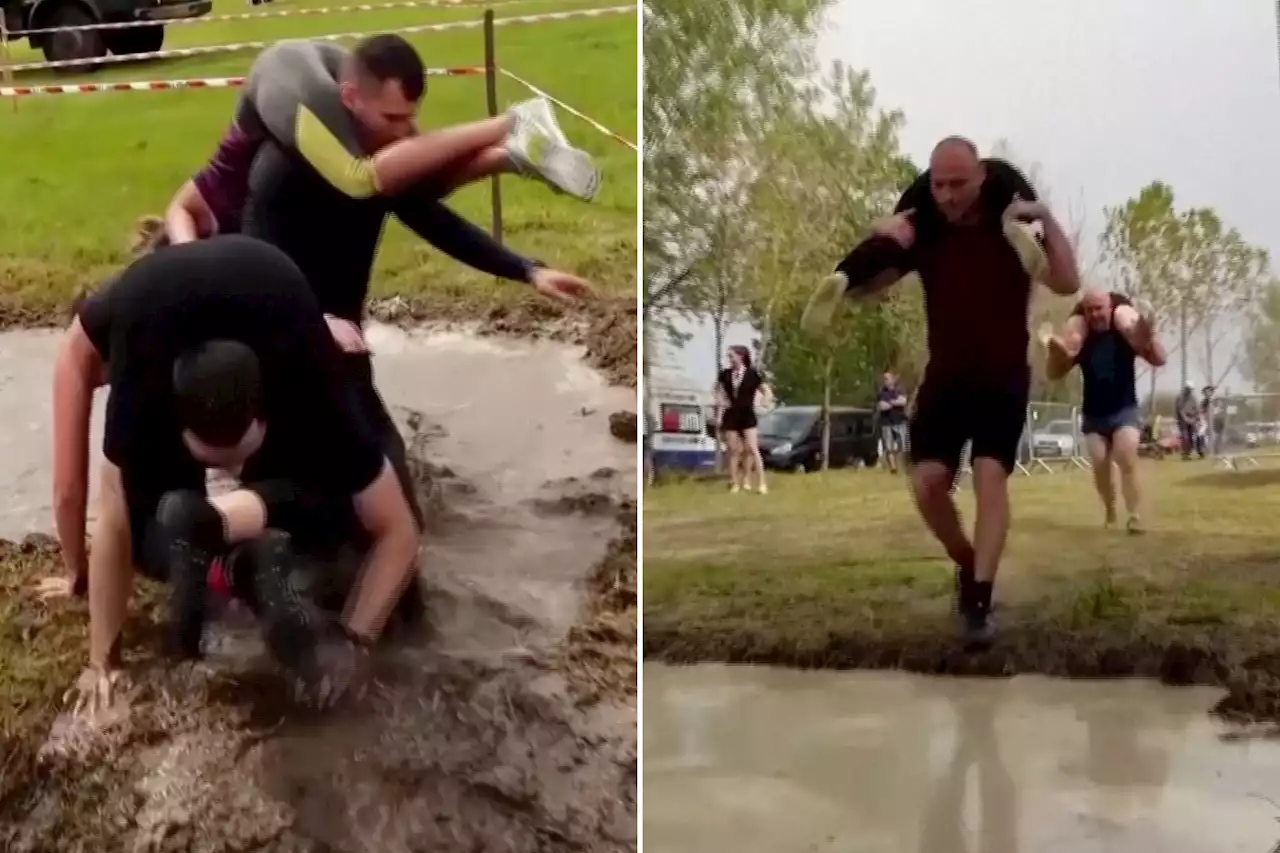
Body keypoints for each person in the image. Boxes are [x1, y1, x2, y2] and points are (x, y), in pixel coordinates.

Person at [60, 236, 421, 715]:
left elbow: (398, 533)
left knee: (158, 513)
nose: (227, 471)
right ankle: (240, 550)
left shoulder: (313, 375)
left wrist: (354, 641)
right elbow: (109, 518)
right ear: (174, 424)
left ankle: (223, 555)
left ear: (268, 417)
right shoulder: (141, 377)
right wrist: (100, 660)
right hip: (175, 312)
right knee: (324, 503)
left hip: (277, 296)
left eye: (237, 459)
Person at [804, 137, 1081, 642]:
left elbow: (1067, 282)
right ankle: (970, 563)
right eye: (938, 185)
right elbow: (880, 280)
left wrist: (1047, 219)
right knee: (926, 484)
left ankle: (979, 600)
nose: (949, 195)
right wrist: (855, 273)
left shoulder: (1014, 229)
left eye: (959, 184)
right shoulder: (928, 229)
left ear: (981, 179)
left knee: (989, 476)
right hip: (946, 377)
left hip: (1002, 375)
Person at [165, 35, 599, 244]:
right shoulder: (251, 223)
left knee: (359, 179)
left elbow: (180, 216)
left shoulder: (203, 210)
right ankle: (514, 155)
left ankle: (512, 121)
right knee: (407, 179)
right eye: (397, 117)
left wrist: (185, 254)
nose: (406, 127)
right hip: (321, 73)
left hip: (286, 78)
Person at [1041, 290, 1166, 533]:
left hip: (1124, 409)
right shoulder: (1082, 338)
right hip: (1094, 414)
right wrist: (1054, 350)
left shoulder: (1123, 334)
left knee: (1125, 457)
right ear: (1084, 313)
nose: (1095, 314)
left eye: (1099, 308)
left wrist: (1149, 333)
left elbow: (1158, 358)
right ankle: (1110, 510)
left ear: (1111, 308)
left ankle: (1134, 515)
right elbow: (1054, 373)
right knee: (1100, 465)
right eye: (1089, 310)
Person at [715, 346, 771, 494]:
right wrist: (720, 413)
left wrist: (764, 401)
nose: (730, 359)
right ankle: (734, 483)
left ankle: (761, 483)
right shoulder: (725, 375)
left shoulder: (752, 374)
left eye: (732, 356)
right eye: (729, 356)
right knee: (733, 451)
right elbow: (720, 393)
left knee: (752, 449)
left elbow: (766, 390)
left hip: (747, 414)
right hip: (731, 414)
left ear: (741, 357)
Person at [876, 372, 909, 474]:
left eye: (888, 378)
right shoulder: (881, 393)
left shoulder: (899, 391)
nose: (886, 381)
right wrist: (895, 402)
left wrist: (890, 403)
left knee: (903, 446)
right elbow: (882, 406)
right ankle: (893, 469)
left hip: (900, 421)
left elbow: (903, 401)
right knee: (889, 447)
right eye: (884, 379)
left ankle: (903, 466)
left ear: (893, 379)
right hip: (886, 423)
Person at [1175, 382, 1201, 459]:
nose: (1189, 391)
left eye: (1191, 389)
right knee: (1184, 436)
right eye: (1188, 389)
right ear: (1186, 388)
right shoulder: (1180, 397)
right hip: (1182, 420)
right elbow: (1180, 410)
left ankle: (1189, 452)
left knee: (1191, 436)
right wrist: (1185, 418)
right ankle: (1185, 453)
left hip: (1191, 418)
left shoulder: (1193, 397)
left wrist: (1197, 417)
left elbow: (1196, 408)